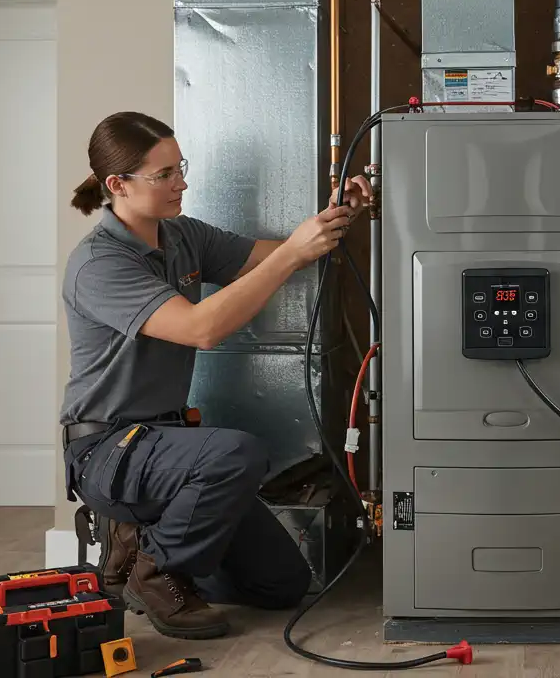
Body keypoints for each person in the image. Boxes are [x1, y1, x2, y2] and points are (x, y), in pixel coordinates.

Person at [60, 111, 372, 640]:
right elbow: (201, 328)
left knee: (282, 585)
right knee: (236, 453)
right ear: (117, 185)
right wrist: (292, 253)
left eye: (181, 167)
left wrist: (341, 217)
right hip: (109, 449)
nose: (182, 182)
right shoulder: (99, 264)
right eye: (164, 175)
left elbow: (274, 260)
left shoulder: (181, 237)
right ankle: (150, 570)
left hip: (166, 447)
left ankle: (146, 537)